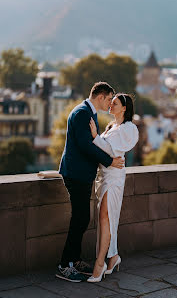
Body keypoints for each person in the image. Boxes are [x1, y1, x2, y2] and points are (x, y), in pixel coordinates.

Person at [56, 82, 124, 283]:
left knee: (82, 218)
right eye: (109, 99)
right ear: (101, 96)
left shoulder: (88, 112)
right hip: (76, 174)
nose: (110, 104)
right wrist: (110, 161)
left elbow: (92, 142)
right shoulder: (83, 113)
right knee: (80, 218)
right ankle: (64, 265)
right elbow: (86, 146)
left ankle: (74, 261)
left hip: (81, 174)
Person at [87, 93, 139, 283]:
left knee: (105, 217)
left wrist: (95, 136)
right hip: (103, 176)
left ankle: (99, 264)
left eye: (115, 103)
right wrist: (98, 140)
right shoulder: (111, 127)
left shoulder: (129, 128)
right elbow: (104, 150)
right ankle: (114, 256)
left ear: (124, 108)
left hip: (114, 178)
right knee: (107, 220)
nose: (111, 105)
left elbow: (110, 150)